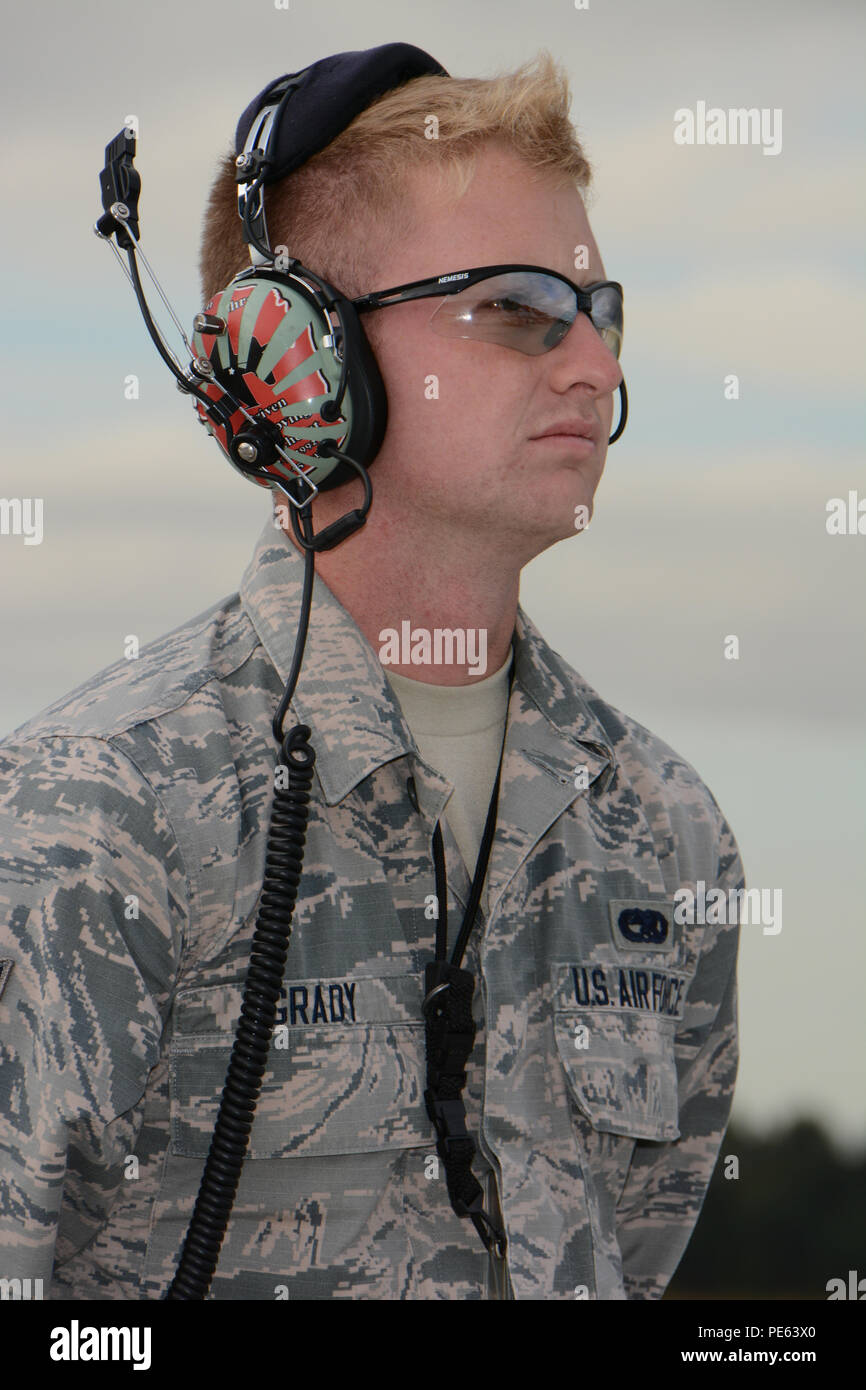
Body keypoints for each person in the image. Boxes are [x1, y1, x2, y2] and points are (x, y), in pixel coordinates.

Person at [0, 47, 743, 1300]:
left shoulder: (665, 833)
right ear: (303, 357)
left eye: (599, 311)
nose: (594, 368)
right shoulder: (83, 819)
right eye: (516, 309)